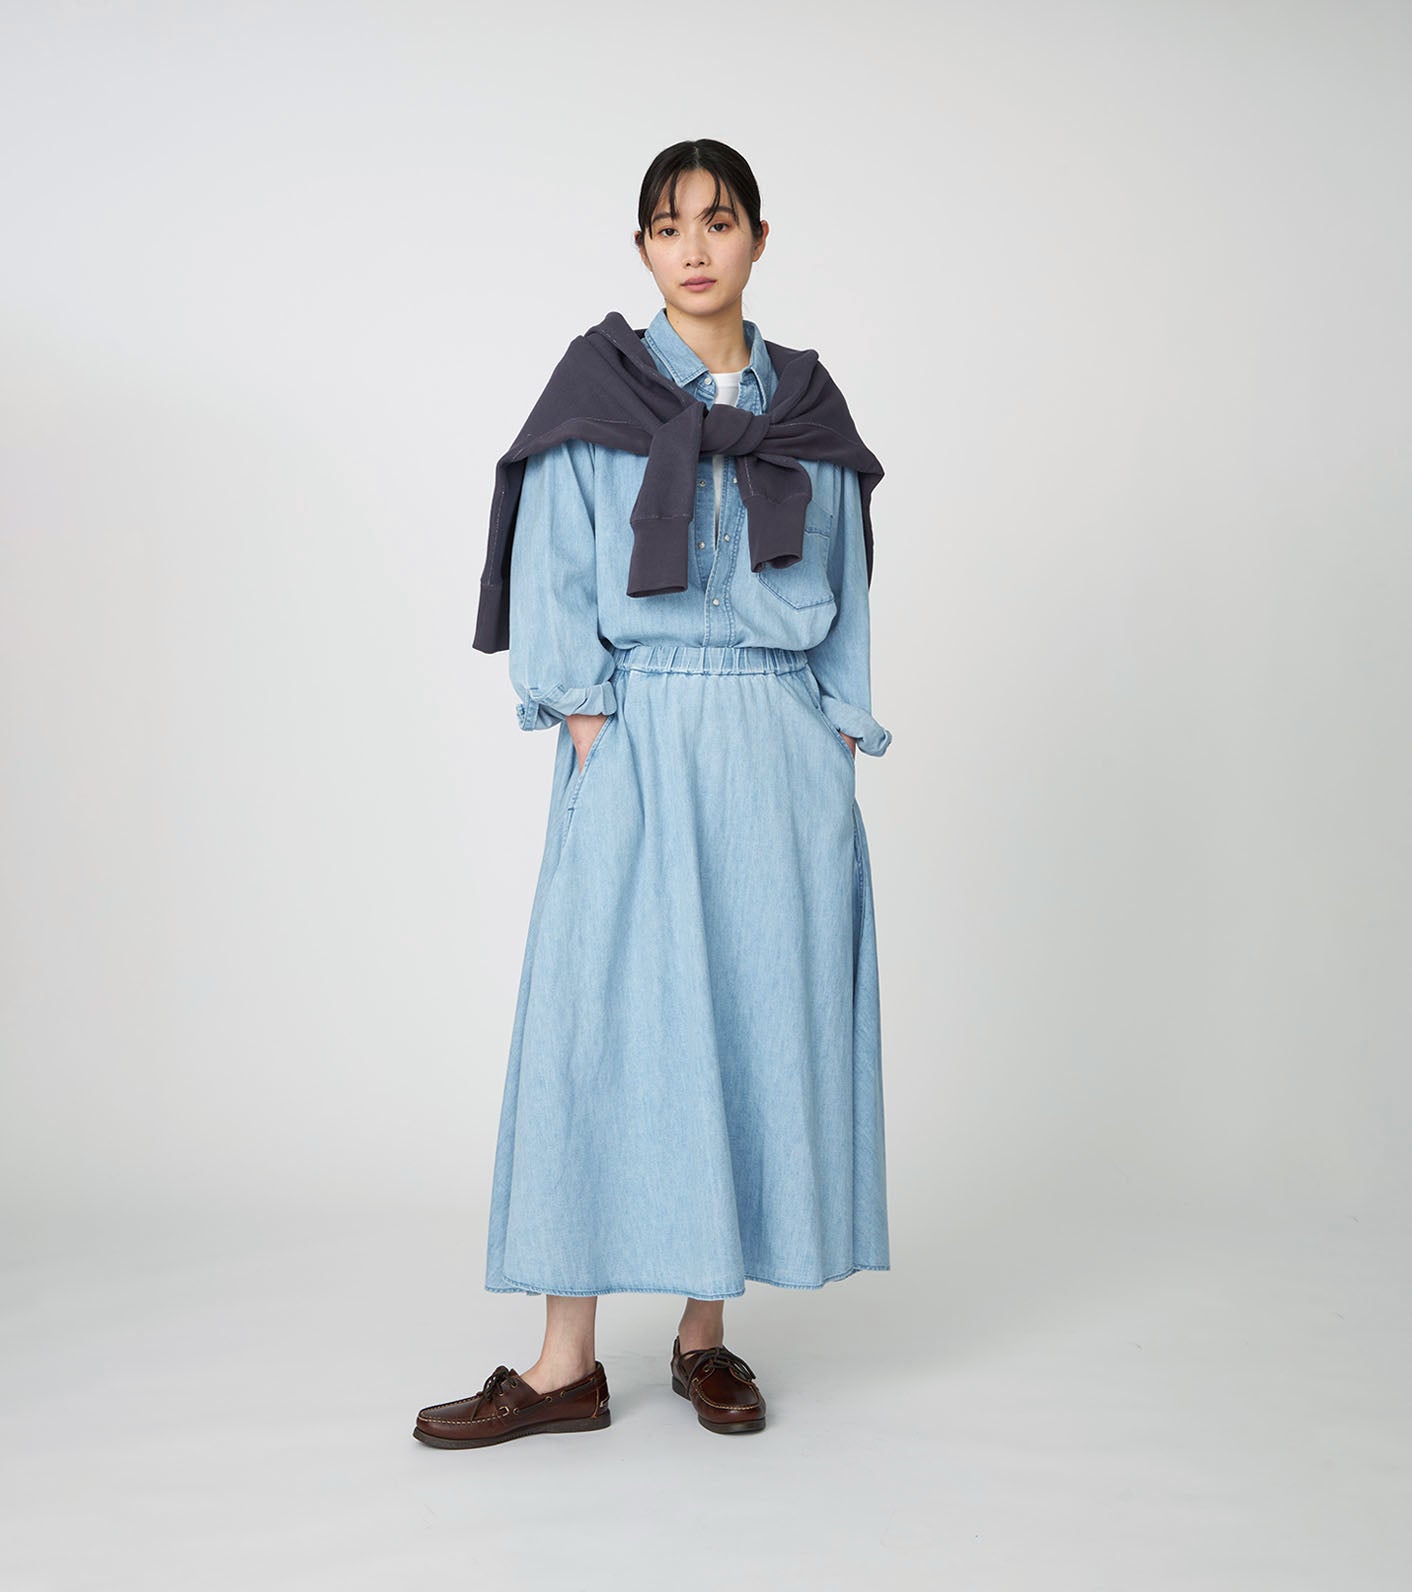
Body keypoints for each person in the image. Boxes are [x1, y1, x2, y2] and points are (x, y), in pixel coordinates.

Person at [414, 139, 892, 1450]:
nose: (695, 247)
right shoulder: (599, 392)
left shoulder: (808, 408)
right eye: (670, 226)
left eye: (719, 221)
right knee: (598, 1025)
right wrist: (588, 726)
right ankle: (564, 1362)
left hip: (779, 744)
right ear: (641, 248)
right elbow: (557, 573)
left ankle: (703, 1333)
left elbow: (848, 594)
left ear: (758, 239)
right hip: (638, 729)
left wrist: (834, 743)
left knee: (745, 1018)